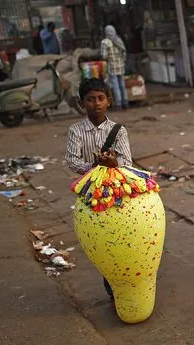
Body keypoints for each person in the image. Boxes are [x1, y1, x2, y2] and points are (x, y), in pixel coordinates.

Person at [65, 78, 133, 299]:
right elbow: (71, 160)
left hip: (115, 192)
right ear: (81, 103)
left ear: (109, 101)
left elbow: (128, 163)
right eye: (91, 99)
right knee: (102, 241)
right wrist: (93, 167)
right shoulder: (75, 131)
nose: (96, 103)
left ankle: (122, 282)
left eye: (101, 98)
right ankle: (111, 283)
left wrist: (114, 164)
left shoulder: (118, 131)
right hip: (90, 194)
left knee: (120, 236)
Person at [101, 25, 129, 110]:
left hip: (112, 66)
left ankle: (118, 104)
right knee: (122, 84)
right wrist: (122, 61)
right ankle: (125, 102)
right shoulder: (119, 40)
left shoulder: (105, 42)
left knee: (115, 85)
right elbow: (124, 53)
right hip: (120, 65)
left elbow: (103, 56)